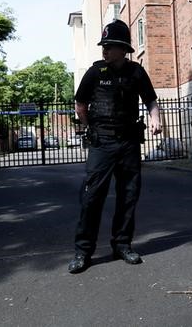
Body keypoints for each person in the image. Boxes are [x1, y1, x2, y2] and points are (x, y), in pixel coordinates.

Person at [68, 19, 162, 274]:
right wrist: (92, 128)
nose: (105, 50)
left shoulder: (137, 72)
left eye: (109, 46)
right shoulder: (95, 73)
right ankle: (83, 252)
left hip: (129, 142)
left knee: (128, 195)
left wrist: (155, 118)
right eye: (104, 45)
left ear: (123, 48)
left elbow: (151, 101)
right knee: (92, 197)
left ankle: (122, 245)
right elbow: (80, 105)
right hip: (103, 142)